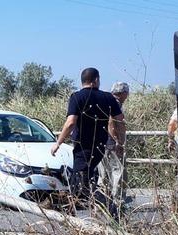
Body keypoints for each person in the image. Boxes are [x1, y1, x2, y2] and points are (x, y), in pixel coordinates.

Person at [51, 68, 125, 207]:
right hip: (100, 145)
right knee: (84, 177)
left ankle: (106, 208)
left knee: (81, 181)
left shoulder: (76, 97)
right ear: (96, 80)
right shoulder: (108, 97)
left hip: (83, 146)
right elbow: (120, 120)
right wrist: (120, 142)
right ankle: (80, 212)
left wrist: (58, 143)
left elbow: (71, 122)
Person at [98, 81, 130, 203]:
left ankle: (102, 200)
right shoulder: (115, 104)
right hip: (111, 143)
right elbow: (111, 121)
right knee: (118, 172)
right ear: (122, 93)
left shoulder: (104, 102)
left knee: (104, 173)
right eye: (126, 93)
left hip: (101, 143)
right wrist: (118, 141)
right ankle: (117, 202)